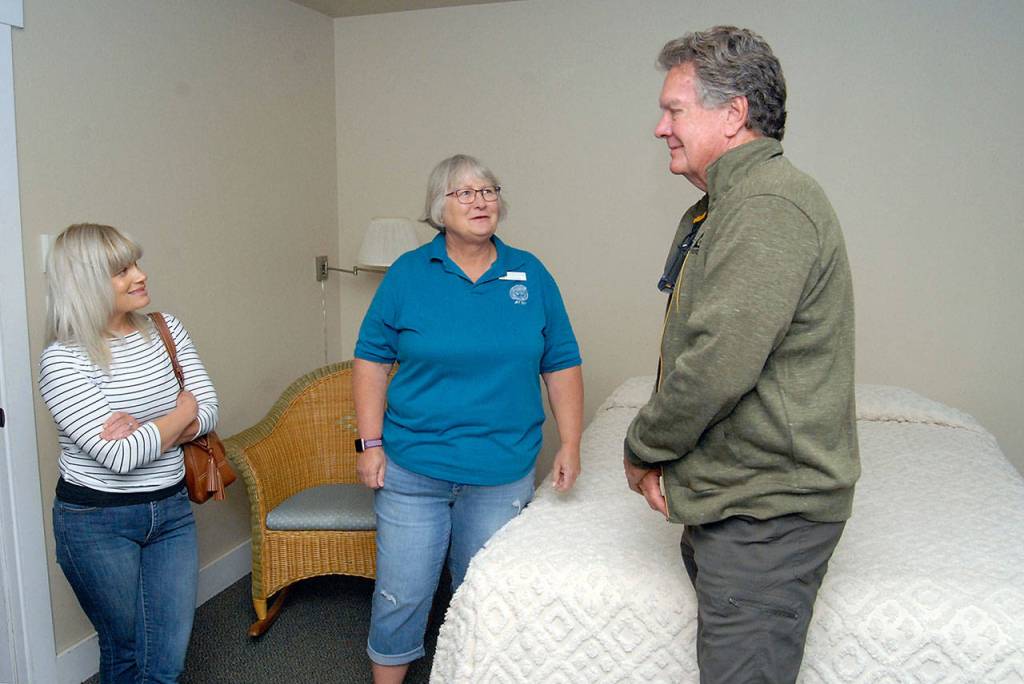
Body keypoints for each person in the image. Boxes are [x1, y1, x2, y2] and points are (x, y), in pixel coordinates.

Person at [622, 27, 860, 683]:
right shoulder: (725, 206)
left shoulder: (766, 206)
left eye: (674, 109)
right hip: (740, 502)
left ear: (734, 114)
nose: (659, 127)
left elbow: (716, 365)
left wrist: (641, 445)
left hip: (768, 515)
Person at [354, 154, 583, 683]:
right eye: (465, 193)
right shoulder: (409, 274)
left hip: (501, 471)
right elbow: (370, 359)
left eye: (489, 190)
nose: (481, 201)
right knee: (401, 595)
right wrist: (371, 445)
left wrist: (569, 442)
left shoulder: (531, 273)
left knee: (482, 598)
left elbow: (562, 361)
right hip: (413, 468)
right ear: (439, 207)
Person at [38, 223, 219, 683]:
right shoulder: (63, 359)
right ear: (86, 282)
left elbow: (209, 409)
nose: (140, 275)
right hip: (97, 523)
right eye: (121, 271)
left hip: (173, 511)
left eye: (135, 263)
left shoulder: (166, 329)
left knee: (167, 660)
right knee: (125, 651)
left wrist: (147, 432)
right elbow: (118, 458)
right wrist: (178, 416)